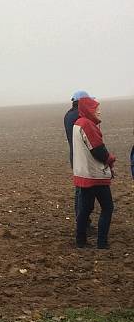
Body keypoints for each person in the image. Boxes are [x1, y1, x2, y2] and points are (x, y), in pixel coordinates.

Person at [72, 96, 115, 249]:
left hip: (83, 174)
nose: (99, 112)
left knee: (85, 209)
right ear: (89, 110)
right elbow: (98, 150)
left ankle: (80, 240)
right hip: (95, 175)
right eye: (97, 109)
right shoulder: (87, 125)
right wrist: (110, 159)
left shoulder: (77, 123)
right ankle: (102, 243)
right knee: (107, 207)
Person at [64, 90, 92, 229]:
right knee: (82, 190)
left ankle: (82, 221)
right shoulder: (79, 116)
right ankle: (82, 222)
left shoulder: (68, 115)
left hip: (74, 156)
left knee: (80, 189)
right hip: (82, 157)